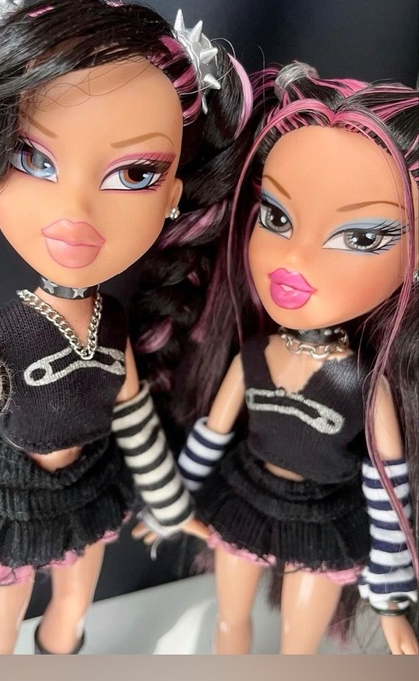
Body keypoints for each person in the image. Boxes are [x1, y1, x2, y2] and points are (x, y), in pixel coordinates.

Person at [0, 0, 253, 654]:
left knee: (71, 614)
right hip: (10, 494)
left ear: (173, 194)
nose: (75, 209)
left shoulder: (113, 323)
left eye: (134, 174)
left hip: (88, 486)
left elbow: (133, 414)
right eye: (33, 159)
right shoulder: (16, 327)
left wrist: (170, 507)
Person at [136, 61, 418, 654]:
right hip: (246, 497)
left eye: (362, 238)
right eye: (276, 217)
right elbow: (210, 437)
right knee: (230, 624)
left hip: (323, 518)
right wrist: (169, 505)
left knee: (299, 647)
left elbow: (387, 490)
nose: (294, 260)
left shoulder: (362, 384)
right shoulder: (254, 356)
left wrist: (390, 599)